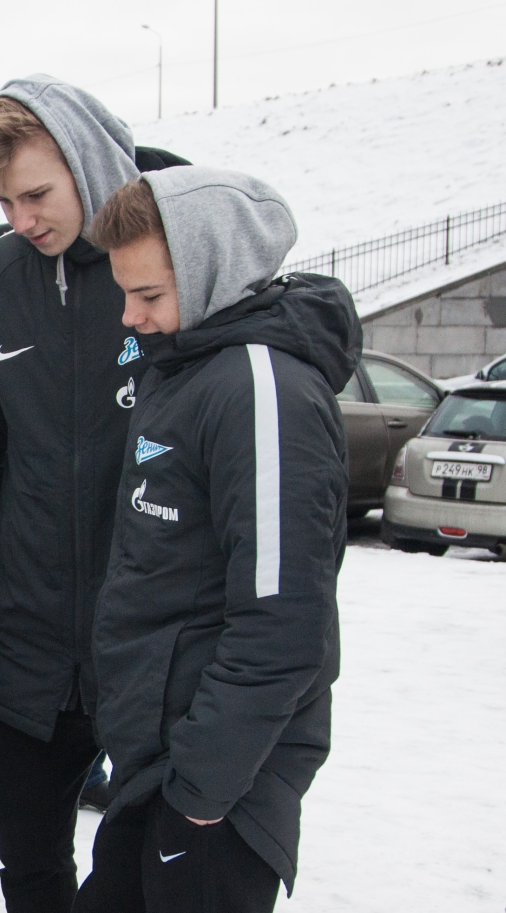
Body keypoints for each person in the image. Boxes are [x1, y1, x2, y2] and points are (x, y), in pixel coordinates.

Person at [0, 75, 188, 913]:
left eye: (36, 194)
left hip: (147, 636)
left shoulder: (168, 260)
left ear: (88, 161)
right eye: (5, 201)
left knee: (148, 867)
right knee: (31, 863)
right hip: (32, 637)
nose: (22, 219)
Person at [74, 169, 354, 912]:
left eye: (150, 296)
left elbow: (283, 623)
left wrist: (201, 788)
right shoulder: (188, 367)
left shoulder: (261, 389)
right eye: (125, 292)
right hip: (158, 765)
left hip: (214, 789)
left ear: (214, 273)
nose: (129, 316)